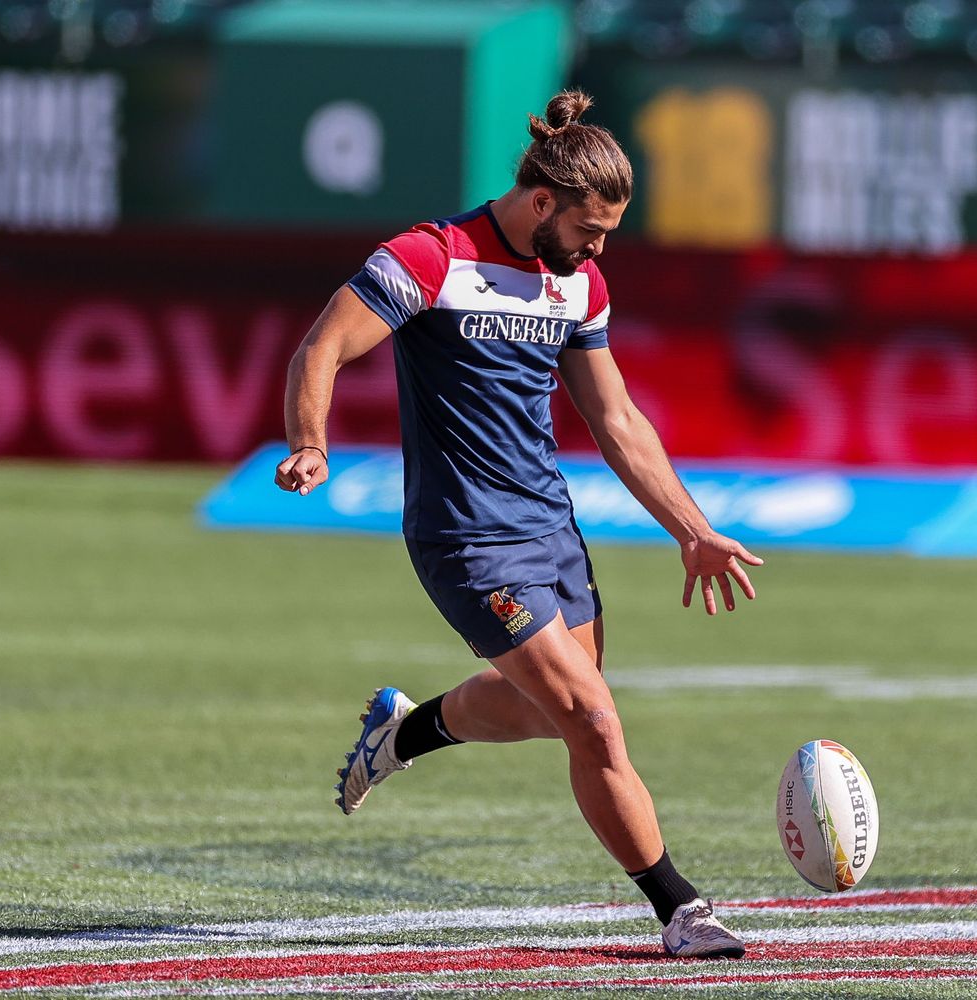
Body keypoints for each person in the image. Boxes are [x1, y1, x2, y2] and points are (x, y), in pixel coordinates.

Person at [275, 90, 763, 959]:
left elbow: (616, 420)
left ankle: (403, 733)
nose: (600, 248)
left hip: (551, 530)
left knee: (549, 712)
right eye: (592, 227)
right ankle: (682, 910)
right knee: (594, 720)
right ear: (542, 202)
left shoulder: (578, 282)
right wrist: (309, 443)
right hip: (466, 539)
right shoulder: (429, 257)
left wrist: (689, 527)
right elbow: (322, 346)